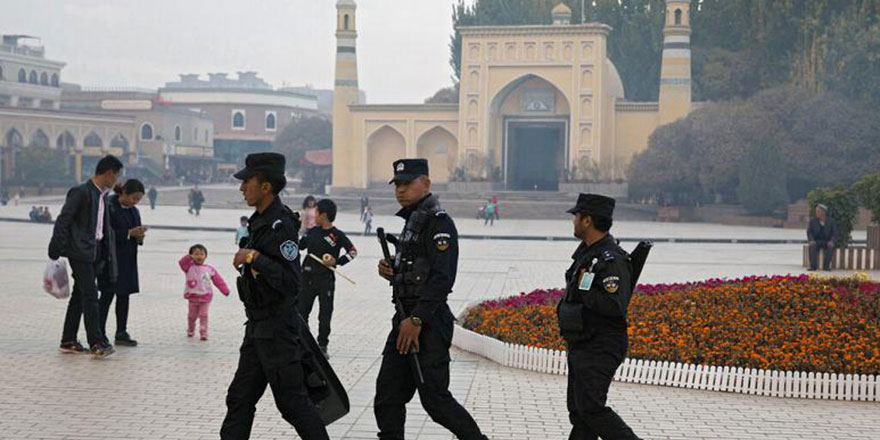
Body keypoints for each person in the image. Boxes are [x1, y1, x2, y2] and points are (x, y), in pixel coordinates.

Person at [375, 158, 488, 440]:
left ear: (425, 183)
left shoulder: (439, 223)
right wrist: (392, 270)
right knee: (387, 396)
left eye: (407, 184)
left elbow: (442, 278)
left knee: (435, 400)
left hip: (427, 321)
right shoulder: (414, 219)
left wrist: (417, 319)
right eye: (397, 184)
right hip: (404, 318)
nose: (400, 190)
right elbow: (418, 270)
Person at [221, 152, 329, 440]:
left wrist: (254, 257)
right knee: (239, 398)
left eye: (247, 182)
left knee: (293, 404)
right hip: (258, 327)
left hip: (278, 330)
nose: (242, 188)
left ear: (266, 186)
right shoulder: (260, 221)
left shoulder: (281, 226)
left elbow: (291, 282)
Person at [558, 193, 642, 440]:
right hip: (583, 342)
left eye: (577, 217)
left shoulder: (610, 259)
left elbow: (614, 305)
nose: (573, 222)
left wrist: (586, 292)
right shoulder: (588, 254)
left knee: (592, 409)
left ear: (587, 221)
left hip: (600, 344)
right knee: (580, 413)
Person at [47, 154, 122, 357]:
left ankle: (68, 339)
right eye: (116, 176)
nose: (116, 180)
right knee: (91, 294)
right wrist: (55, 247)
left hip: (94, 251)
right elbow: (64, 219)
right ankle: (96, 342)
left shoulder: (101, 195)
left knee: (80, 295)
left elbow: (101, 227)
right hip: (80, 251)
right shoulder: (81, 192)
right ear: (108, 173)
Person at [297, 199, 357, 358]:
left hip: (326, 280)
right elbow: (299, 246)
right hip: (306, 278)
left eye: (316, 213)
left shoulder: (337, 235)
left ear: (323, 215)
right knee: (301, 311)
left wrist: (336, 262)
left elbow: (353, 252)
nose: (314, 215)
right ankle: (304, 342)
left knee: (325, 314)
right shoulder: (312, 232)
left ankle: (322, 345)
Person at [98, 179, 146, 347]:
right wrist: (127, 233)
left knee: (124, 296)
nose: (135, 202)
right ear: (123, 193)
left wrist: (139, 235)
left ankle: (121, 331)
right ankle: (99, 332)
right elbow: (104, 232)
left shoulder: (134, 211)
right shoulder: (109, 207)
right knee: (106, 295)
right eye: (134, 198)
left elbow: (135, 233)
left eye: (139, 199)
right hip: (111, 259)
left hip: (127, 259)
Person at [178, 244, 230, 340]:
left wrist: (225, 290)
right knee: (191, 316)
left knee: (203, 315)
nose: (199, 256)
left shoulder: (209, 269)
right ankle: (190, 329)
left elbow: (218, 281)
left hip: (205, 297)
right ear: (191, 256)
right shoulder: (188, 267)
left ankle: (203, 332)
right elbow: (182, 263)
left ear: (206, 256)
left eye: (202, 254)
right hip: (192, 296)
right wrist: (189, 257)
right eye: (196, 254)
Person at [807, 203, 837, 271]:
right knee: (812, 245)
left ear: (823, 212)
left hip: (827, 241)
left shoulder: (831, 221)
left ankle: (826, 266)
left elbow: (834, 233)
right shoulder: (813, 221)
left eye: (818, 211)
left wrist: (832, 241)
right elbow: (809, 232)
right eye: (816, 211)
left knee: (831, 246)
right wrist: (811, 240)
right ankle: (813, 266)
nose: (816, 213)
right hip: (816, 241)